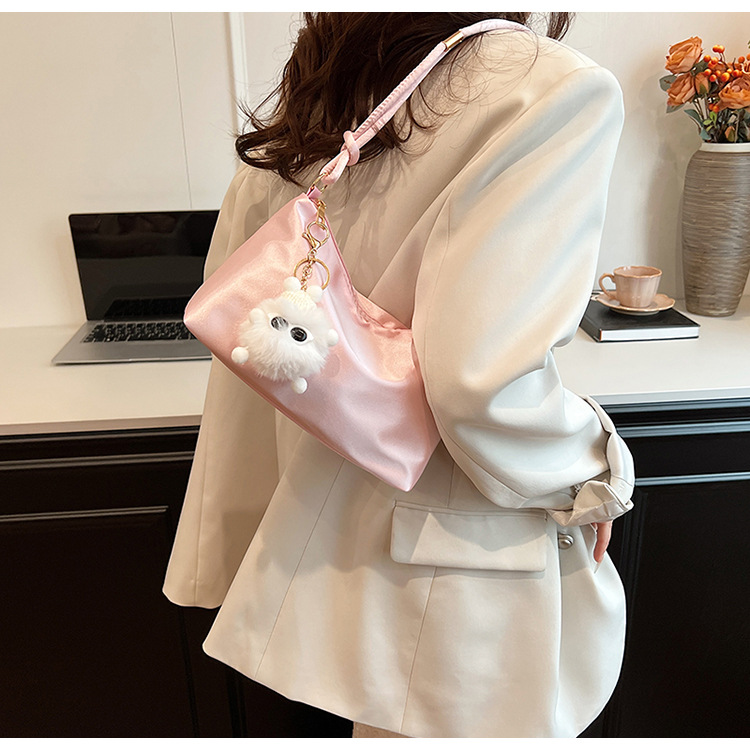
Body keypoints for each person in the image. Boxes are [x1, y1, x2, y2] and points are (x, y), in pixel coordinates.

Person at [164, 12, 635, 738]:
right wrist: (591, 469)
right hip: (457, 568)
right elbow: (483, 383)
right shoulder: (547, 87)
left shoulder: (328, 80)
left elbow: (255, 332)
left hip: (324, 542)